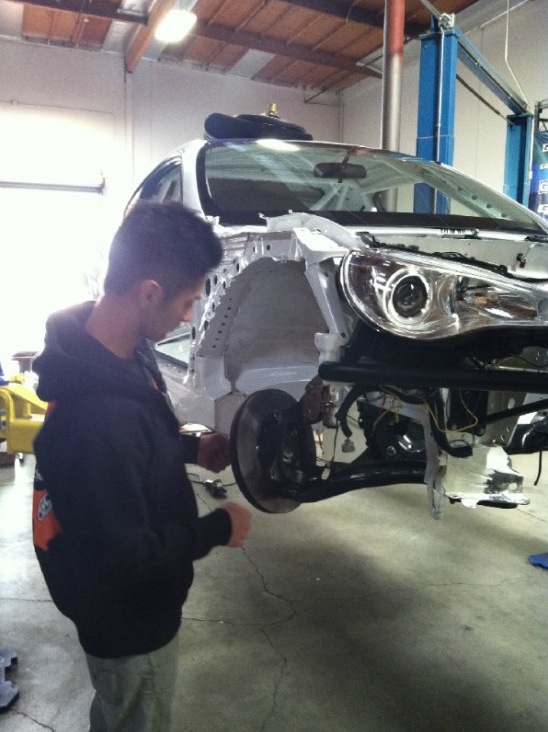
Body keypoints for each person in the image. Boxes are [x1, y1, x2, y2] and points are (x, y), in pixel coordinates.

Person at [31, 200, 252, 731]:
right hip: (129, 621)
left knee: (117, 709)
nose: (188, 316)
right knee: (135, 712)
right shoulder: (95, 418)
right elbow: (124, 558)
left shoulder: (115, 350)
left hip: (117, 607)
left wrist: (190, 449)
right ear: (149, 292)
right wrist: (217, 529)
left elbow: (134, 444)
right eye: (187, 301)